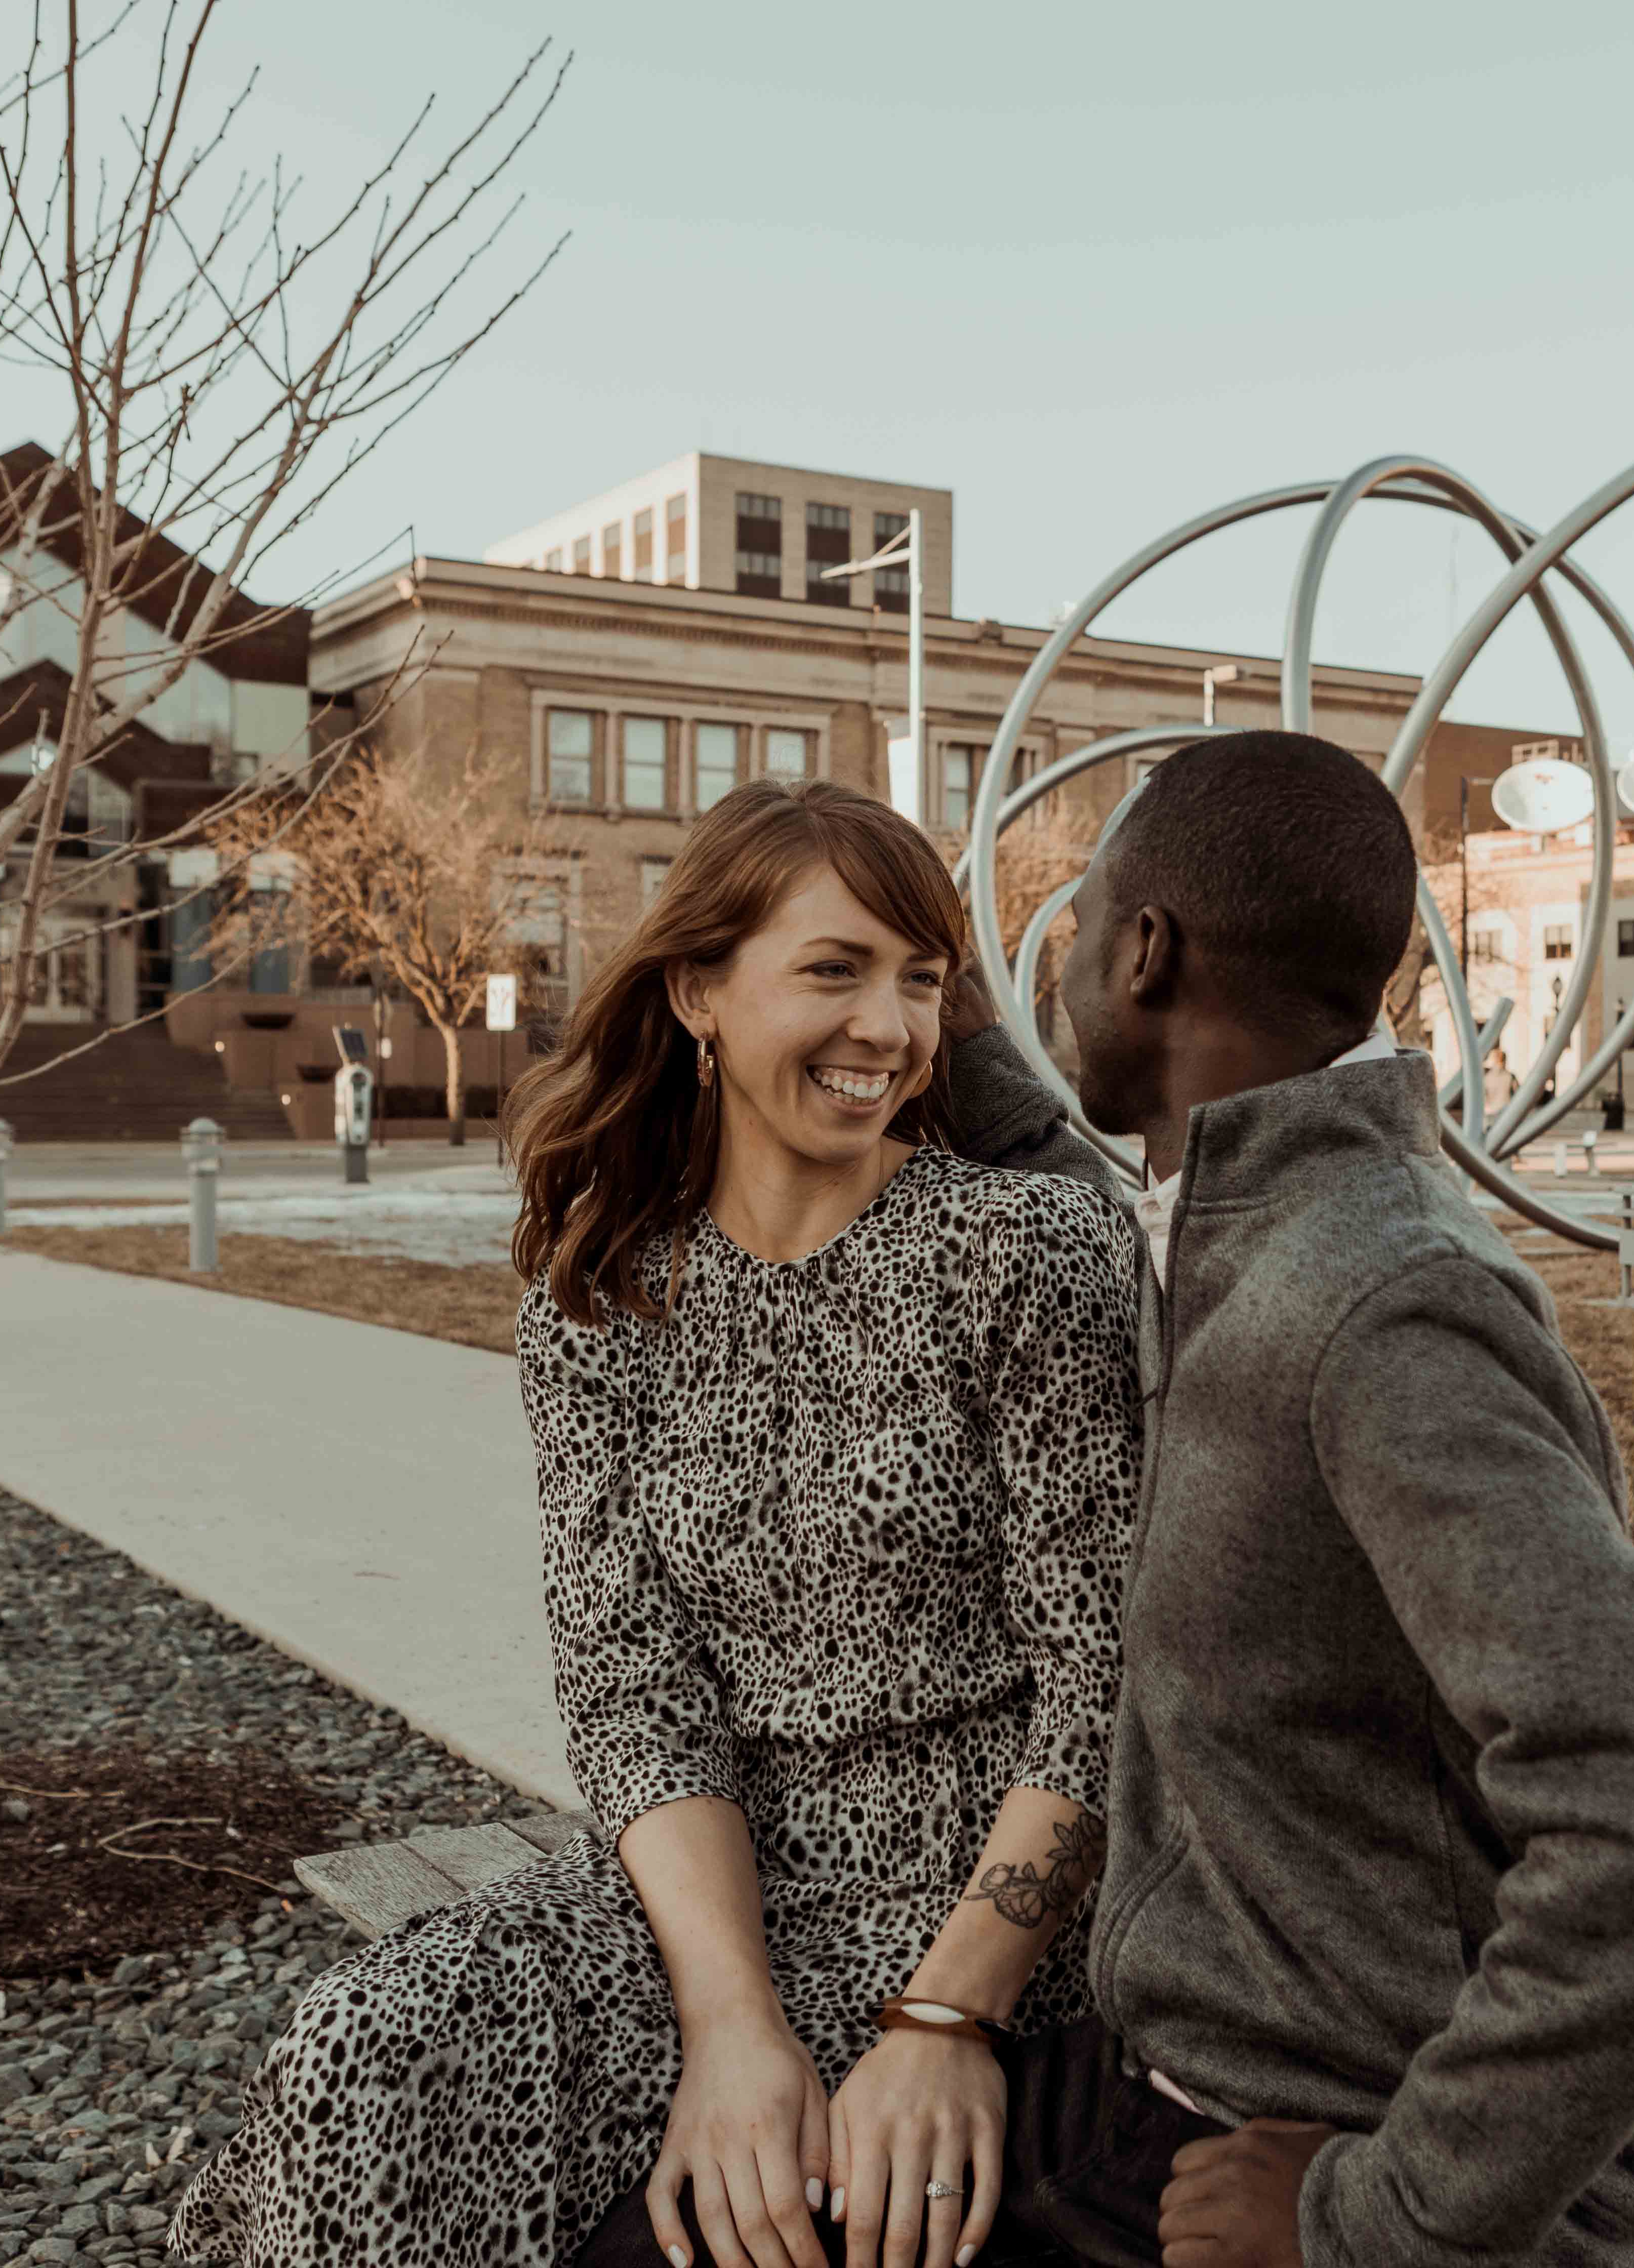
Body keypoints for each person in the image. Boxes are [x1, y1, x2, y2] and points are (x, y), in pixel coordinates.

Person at [177, 778, 1147, 2268]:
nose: (886, 1026)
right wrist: (729, 2020)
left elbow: (1099, 1689)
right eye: (832, 968)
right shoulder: (606, 1295)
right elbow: (633, 1695)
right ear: (698, 986)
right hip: (707, 1889)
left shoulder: (1030, 1245)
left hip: (980, 1896)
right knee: (362, 2054)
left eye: (918, 975)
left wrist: (949, 2013)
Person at [970, 732, 1634, 2268]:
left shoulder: (1378, 1307)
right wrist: (924, 1023)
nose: (1055, 970)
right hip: (1173, 2079)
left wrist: (1378, 2215)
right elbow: (1076, 1162)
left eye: (1073, 932)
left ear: (1143, 953)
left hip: (1300, 2154)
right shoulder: (1237, 1220)